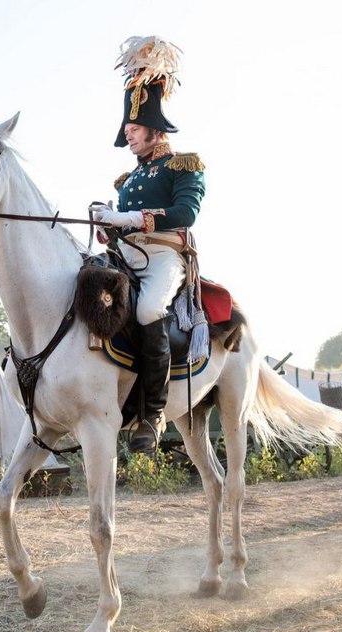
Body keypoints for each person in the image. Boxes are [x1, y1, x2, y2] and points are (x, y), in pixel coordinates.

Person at [89, 35, 206, 455]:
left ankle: (153, 413)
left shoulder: (183, 165)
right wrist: (108, 224)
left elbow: (185, 213)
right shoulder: (129, 179)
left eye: (134, 130)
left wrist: (132, 219)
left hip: (163, 256)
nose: (129, 137)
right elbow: (120, 229)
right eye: (128, 131)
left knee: (147, 310)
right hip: (126, 255)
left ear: (154, 131)